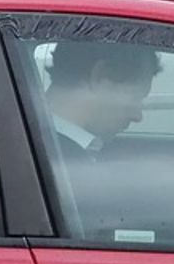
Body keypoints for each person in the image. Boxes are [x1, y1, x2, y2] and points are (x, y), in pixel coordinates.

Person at [39, 40, 161, 237]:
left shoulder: (34, 145)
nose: (138, 116)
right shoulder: (60, 165)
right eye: (136, 97)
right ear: (101, 76)